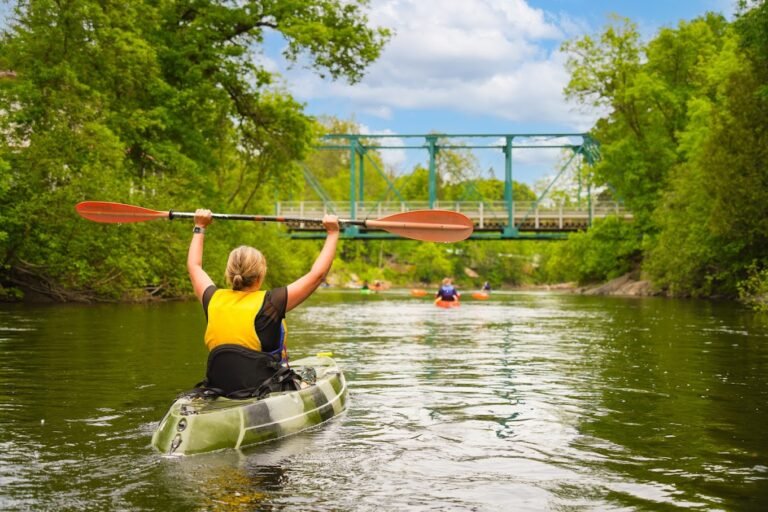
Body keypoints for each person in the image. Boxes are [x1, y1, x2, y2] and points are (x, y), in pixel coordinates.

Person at [187, 208, 340, 396]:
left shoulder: (212, 298)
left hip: (221, 388)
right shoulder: (271, 303)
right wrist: (333, 233)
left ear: (229, 273)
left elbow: (194, 267)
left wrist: (199, 226)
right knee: (309, 376)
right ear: (261, 274)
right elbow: (317, 275)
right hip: (263, 388)